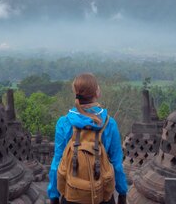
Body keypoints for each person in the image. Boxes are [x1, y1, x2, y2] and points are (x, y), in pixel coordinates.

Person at [48, 73, 128, 204]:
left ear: (75, 92)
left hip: (71, 194)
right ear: (97, 92)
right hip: (102, 195)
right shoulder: (108, 123)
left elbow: (57, 162)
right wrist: (122, 192)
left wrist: (53, 195)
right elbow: (117, 164)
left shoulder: (64, 122)